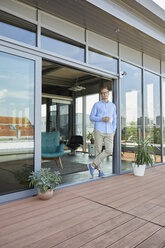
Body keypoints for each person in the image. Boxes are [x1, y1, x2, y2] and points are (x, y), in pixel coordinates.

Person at [87, 86, 117, 178]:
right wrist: (101, 119)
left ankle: (92, 165)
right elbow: (91, 117)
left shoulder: (113, 106)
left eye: (106, 92)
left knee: (109, 150)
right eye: (103, 93)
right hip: (99, 130)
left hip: (109, 131)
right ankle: (100, 171)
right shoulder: (96, 105)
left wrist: (113, 129)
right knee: (98, 150)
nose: (104, 94)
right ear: (101, 94)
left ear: (108, 93)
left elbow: (115, 119)